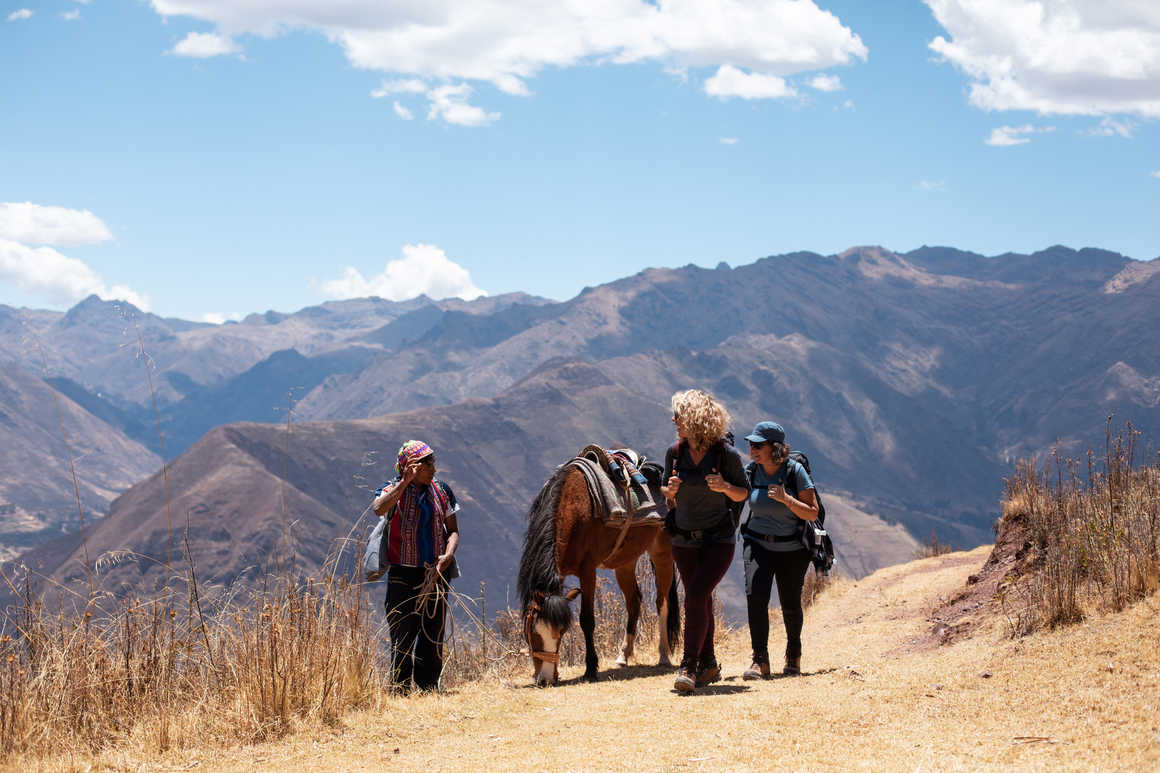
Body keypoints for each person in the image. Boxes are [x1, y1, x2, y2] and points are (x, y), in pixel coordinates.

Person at [659, 389, 749, 694]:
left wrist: (724, 486)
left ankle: (689, 665)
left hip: (718, 539)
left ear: (696, 418)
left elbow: (743, 493)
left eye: (680, 415)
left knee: (696, 594)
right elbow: (666, 492)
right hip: (683, 539)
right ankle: (709, 663)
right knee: (700, 598)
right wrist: (668, 492)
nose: (674, 421)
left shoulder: (726, 455)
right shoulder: (675, 452)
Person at [372, 440, 460, 693]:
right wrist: (404, 483)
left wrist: (448, 555)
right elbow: (379, 508)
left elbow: (453, 531)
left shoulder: (442, 491)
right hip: (402, 573)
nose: (433, 469)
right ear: (409, 467)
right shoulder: (390, 489)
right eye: (427, 464)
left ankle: (428, 688)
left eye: (433, 463)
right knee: (402, 632)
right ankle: (400, 689)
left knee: (433, 632)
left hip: (435, 573)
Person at [739, 421, 819, 679]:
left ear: (775, 449)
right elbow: (736, 493)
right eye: (750, 444)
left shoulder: (795, 472)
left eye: (757, 445)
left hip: (792, 548)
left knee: (790, 603)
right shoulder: (752, 471)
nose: (752, 449)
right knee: (756, 597)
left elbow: (812, 512)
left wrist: (786, 499)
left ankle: (793, 655)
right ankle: (759, 660)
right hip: (757, 542)